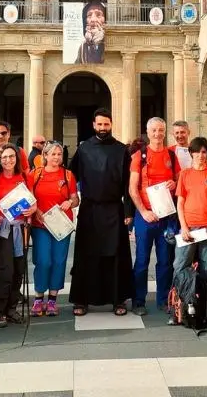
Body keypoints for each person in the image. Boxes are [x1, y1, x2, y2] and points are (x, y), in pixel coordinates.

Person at [69, 108, 133, 316]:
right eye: (100, 124)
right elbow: (70, 175)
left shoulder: (121, 150)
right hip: (89, 209)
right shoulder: (84, 148)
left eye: (106, 124)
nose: (103, 128)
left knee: (116, 256)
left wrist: (128, 211)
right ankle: (82, 300)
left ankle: (118, 300)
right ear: (93, 125)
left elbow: (128, 185)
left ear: (111, 125)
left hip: (114, 209)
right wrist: (70, 198)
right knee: (86, 255)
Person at [128, 118, 180, 316]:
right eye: (154, 130)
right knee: (141, 260)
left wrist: (174, 184)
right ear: (147, 132)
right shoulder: (138, 156)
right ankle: (138, 301)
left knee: (165, 261)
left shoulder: (172, 156)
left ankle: (164, 299)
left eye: (161, 130)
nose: (158, 134)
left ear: (165, 132)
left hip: (166, 216)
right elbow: (133, 189)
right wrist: (143, 212)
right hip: (145, 216)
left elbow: (179, 181)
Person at [173, 137, 207, 324]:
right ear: (191, 153)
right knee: (180, 265)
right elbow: (180, 203)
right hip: (189, 227)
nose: (201, 155)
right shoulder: (185, 174)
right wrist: (184, 227)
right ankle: (179, 306)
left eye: (204, 152)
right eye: (197, 152)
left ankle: (203, 307)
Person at [0, 145, 34, 328]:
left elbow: (32, 202)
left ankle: (11, 308)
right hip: (3, 231)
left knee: (19, 271)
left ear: (17, 158)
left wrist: (32, 209)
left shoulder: (24, 177)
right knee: (6, 272)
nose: (8, 160)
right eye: (4, 157)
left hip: (21, 229)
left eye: (11, 156)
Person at [28, 141, 77, 318]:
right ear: (45, 156)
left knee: (58, 260)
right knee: (43, 260)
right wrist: (37, 211)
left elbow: (75, 198)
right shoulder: (35, 174)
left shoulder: (68, 175)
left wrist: (69, 202)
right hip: (41, 224)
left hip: (61, 225)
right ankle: (39, 297)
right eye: (53, 154)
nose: (56, 157)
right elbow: (28, 197)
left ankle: (52, 300)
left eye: (59, 154)